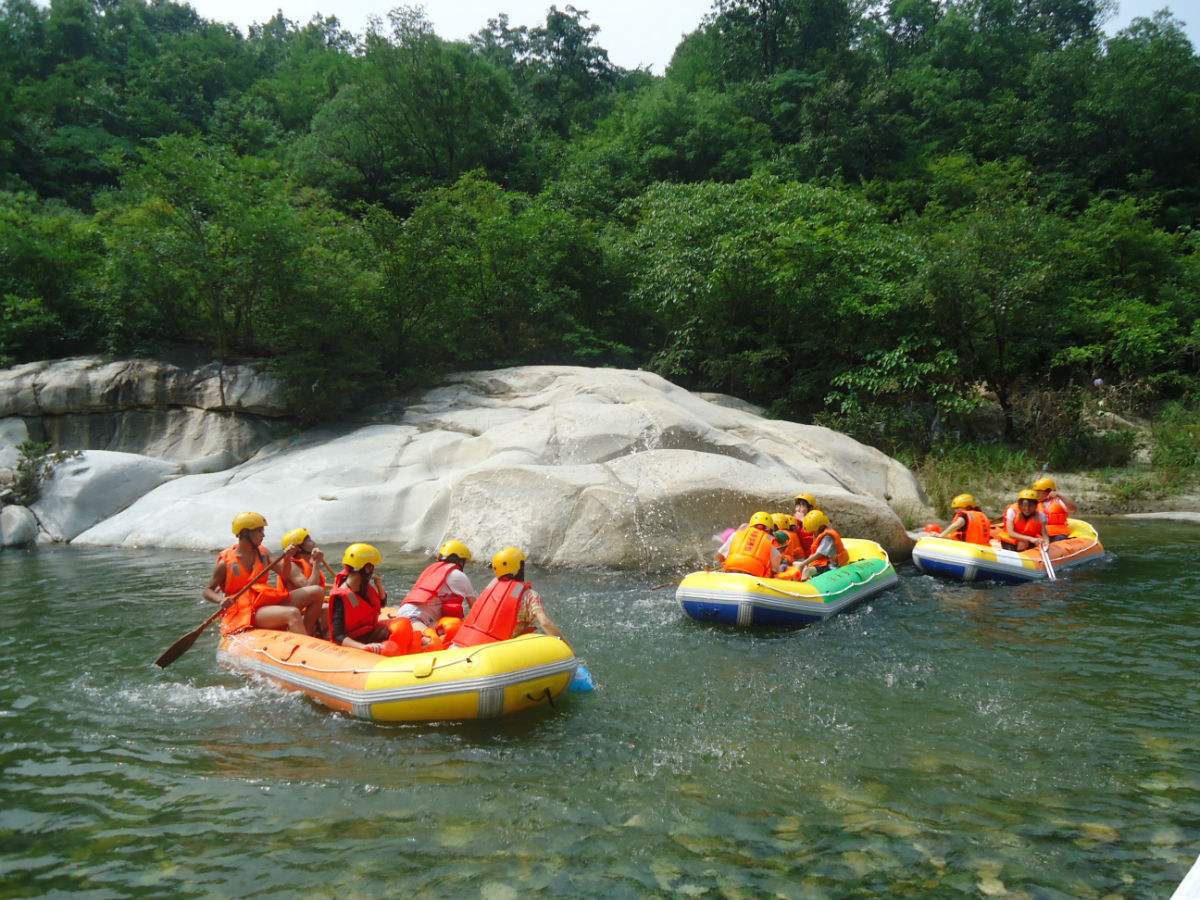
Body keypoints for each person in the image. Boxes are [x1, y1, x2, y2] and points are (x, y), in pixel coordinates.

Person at [203, 512, 325, 636]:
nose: (264, 535)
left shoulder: (264, 554)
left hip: (265, 601)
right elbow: (207, 591)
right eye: (260, 531)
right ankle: (303, 647)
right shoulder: (225, 564)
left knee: (317, 591)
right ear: (246, 533)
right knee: (292, 613)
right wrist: (220, 599)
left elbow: (284, 573)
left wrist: (287, 558)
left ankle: (307, 632)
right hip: (246, 611)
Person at [451, 547, 565, 647]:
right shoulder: (530, 596)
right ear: (519, 567)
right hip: (502, 651)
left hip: (471, 642)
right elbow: (544, 623)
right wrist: (564, 644)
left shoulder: (492, 588)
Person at [394, 539, 477, 629]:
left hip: (404, 613)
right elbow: (475, 609)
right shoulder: (459, 576)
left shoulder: (431, 570)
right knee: (430, 639)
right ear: (461, 561)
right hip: (415, 619)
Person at [327, 543, 393, 653]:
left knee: (401, 626)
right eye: (372, 566)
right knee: (391, 647)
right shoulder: (341, 597)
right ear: (367, 568)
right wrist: (363, 647)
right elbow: (337, 635)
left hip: (368, 631)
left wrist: (379, 584)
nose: (374, 570)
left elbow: (381, 604)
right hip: (355, 639)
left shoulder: (363, 587)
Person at [715, 511, 783, 577]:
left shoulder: (736, 534)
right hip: (753, 575)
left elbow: (719, 556)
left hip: (731, 570)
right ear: (770, 530)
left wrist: (725, 567)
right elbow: (775, 571)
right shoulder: (770, 541)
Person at [791, 509, 849, 582]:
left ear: (820, 528)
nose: (813, 533)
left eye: (813, 531)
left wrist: (803, 564)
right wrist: (805, 563)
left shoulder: (828, 537)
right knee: (795, 563)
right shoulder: (818, 533)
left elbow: (819, 553)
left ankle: (804, 587)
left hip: (833, 565)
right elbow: (813, 553)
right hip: (823, 562)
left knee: (806, 571)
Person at [1033, 476, 1076, 543]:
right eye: (1036, 491)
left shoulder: (1059, 501)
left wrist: (1060, 495)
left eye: (1038, 492)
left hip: (1058, 534)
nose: (1036, 494)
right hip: (1040, 533)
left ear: (1048, 491)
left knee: (1058, 541)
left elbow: (1073, 509)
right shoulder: (1034, 503)